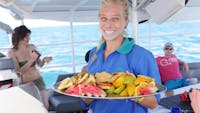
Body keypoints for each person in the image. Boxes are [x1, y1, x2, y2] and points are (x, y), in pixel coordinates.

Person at [80, 0, 161, 113]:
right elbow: (86, 103)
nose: (108, 24)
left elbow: (154, 103)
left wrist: (128, 88)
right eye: (104, 18)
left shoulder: (142, 56)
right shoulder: (94, 53)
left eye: (115, 19)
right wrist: (84, 87)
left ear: (126, 22)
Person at [7, 25, 52, 109]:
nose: (28, 39)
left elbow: (40, 64)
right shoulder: (12, 52)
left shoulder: (32, 47)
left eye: (28, 36)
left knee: (45, 105)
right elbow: (18, 72)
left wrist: (44, 60)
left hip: (38, 80)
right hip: (25, 84)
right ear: (19, 37)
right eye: (26, 36)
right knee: (32, 107)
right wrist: (31, 60)